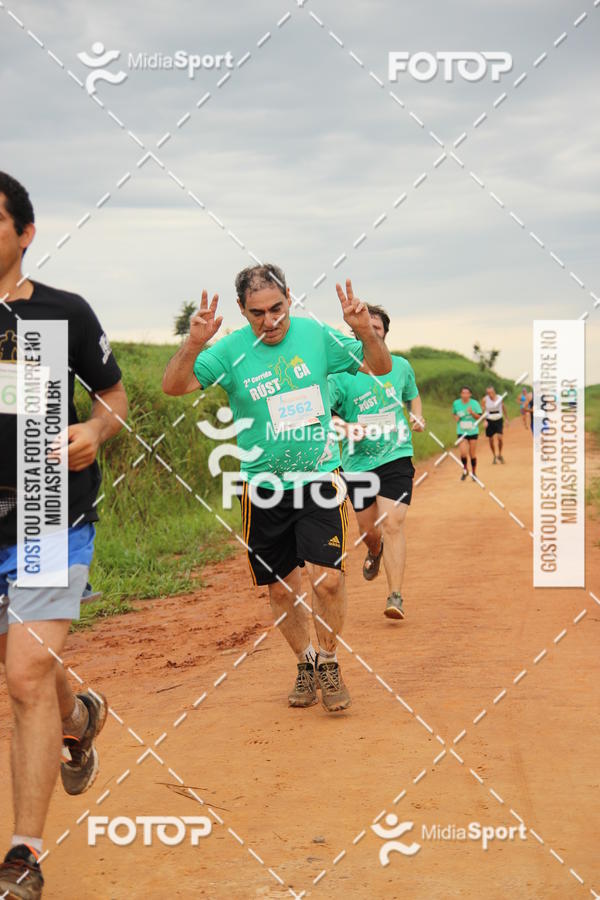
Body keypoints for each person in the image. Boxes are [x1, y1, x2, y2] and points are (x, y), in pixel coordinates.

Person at [163, 264, 392, 713]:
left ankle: (328, 661)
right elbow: (175, 386)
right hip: (263, 488)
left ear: (290, 297)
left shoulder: (316, 335)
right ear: (241, 311)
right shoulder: (229, 351)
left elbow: (380, 367)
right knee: (282, 590)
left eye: (277, 309)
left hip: (319, 478)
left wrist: (366, 332)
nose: (270, 322)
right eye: (257, 313)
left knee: (325, 582)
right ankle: (305, 663)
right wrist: (194, 342)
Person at [0, 173, 127, 900]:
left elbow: (113, 392)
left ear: (25, 233)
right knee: (34, 675)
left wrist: (95, 429)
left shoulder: (59, 314)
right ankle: (81, 715)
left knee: (21, 677)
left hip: (48, 509)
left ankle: (23, 854)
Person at [328, 304, 424, 620]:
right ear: (355, 335)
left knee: (393, 522)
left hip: (396, 455)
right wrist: (347, 427)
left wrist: (418, 415)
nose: (371, 333)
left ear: (383, 334)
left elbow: (412, 394)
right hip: (356, 463)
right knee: (369, 529)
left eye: (377, 329)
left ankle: (395, 595)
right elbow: (326, 416)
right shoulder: (340, 376)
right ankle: (374, 550)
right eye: (364, 330)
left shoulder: (400, 366)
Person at [452, 386, 482, 481]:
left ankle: (474, 473)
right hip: (461, 431)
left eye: (467, 393)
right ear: (461, 394)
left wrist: (472, 412)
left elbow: (479, 417)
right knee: (463, 453)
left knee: (472, 454)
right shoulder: (456, 403)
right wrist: (455, 417)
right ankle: (465, 470)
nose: (465, 395)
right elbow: (454, 413)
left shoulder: (475, 403)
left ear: (470, 394)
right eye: (463, 393)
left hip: (473, 431)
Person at [481, 385, 509, 464]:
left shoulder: (500, 398)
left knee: (500, 438)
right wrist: (484, 421)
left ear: (494, 392)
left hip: (498, 419)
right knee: (491, 439)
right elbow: (482, 411)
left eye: (491, 392)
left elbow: (503, 407)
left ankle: (500, 454)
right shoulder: (484, 400)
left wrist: (506, 418)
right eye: (488, 393)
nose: (490, 394)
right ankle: (494, 456)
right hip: (489, 420)